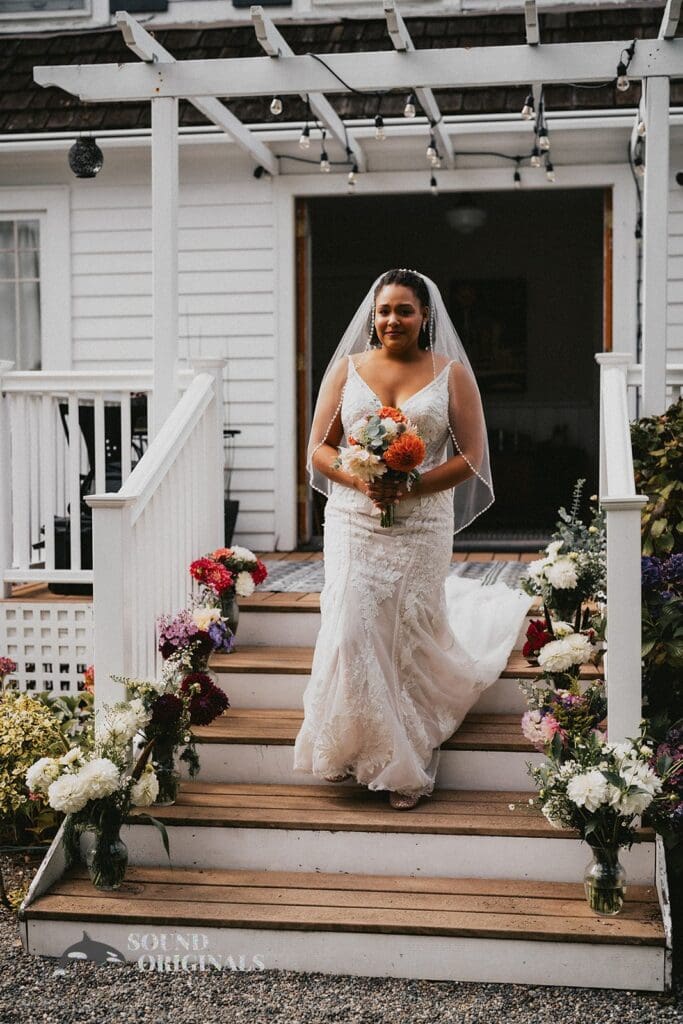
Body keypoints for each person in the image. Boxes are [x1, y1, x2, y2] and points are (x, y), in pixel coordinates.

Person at [293, 269, 532, 809]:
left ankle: (405, 757)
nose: (392, 320)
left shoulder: (450, 374)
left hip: (422, 522)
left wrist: (410, 486)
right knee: (353, 626)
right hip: (354, 518)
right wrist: (364, 480)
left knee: (407, 629)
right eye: (384, 311)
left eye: (404, 310)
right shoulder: (346, 370)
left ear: (425, 317)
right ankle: (349, 744)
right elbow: (319, 449)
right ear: (372, 318)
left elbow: (471, 457)